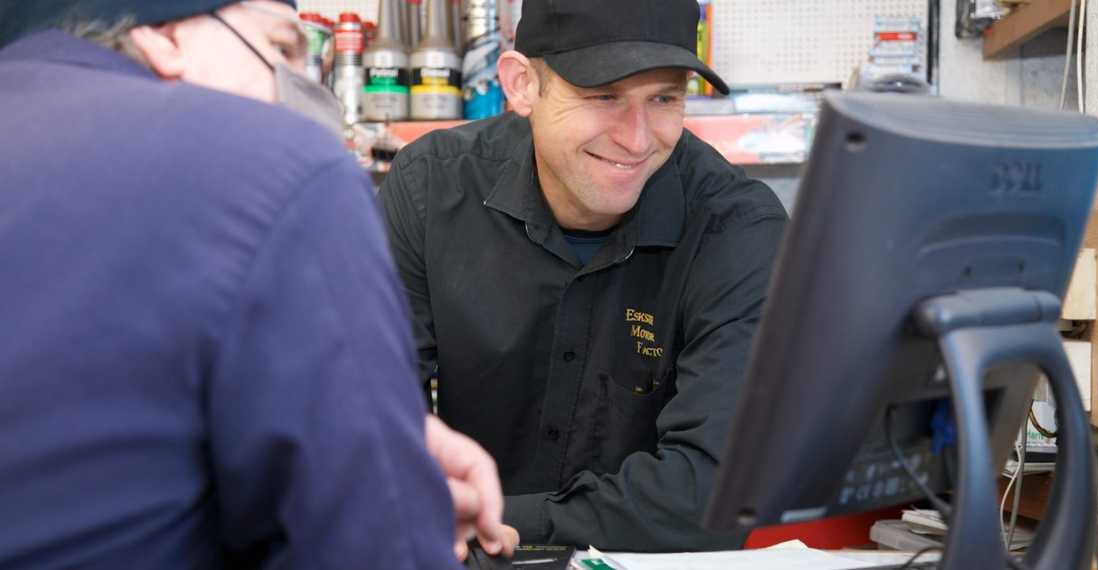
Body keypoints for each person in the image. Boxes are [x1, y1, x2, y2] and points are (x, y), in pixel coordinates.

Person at [0, 1, 516, 567]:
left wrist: (349, 416)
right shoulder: (281, 165)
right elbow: (377, 551)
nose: (301, 91)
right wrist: (381, 472)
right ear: (165, 37)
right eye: (280, 49)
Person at [378, 0, 789, 552]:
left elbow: (713, 491)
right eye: (603, 96)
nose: (638, 139)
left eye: (664, 98)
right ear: (522, 85)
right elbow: (369, 418)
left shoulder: (736, 226)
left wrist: (488, 521)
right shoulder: (430, 188)